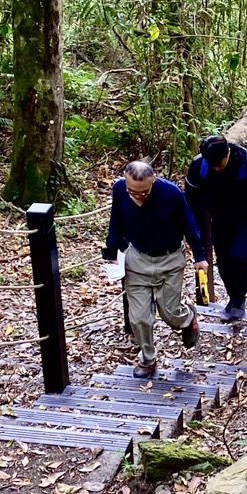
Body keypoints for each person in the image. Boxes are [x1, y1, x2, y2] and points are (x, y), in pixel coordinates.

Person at [102, 161, 203, 376]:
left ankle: (187, 318)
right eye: (133, 191)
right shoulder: (119, 190)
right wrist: (111, 253)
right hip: (137, 259)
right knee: (139, 318)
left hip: (170, 259)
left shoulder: (171, 193)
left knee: (170, 313)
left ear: (154, 181)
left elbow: (190, 224)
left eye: (144, 192)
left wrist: (200, 257)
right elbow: (115, 221)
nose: (138, 196)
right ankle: (148, 359)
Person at [184, 134, 247, 320]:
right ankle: (233, 298)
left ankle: (239, 299)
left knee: (237, 256)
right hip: (217, 218)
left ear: (227, 152)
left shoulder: (245, 163)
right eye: (212, 164)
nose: (216, 168)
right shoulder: (199, 167)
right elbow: (190, 199)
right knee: (222, 260)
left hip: (245, 217)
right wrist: (194, 230)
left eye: (219, 163)